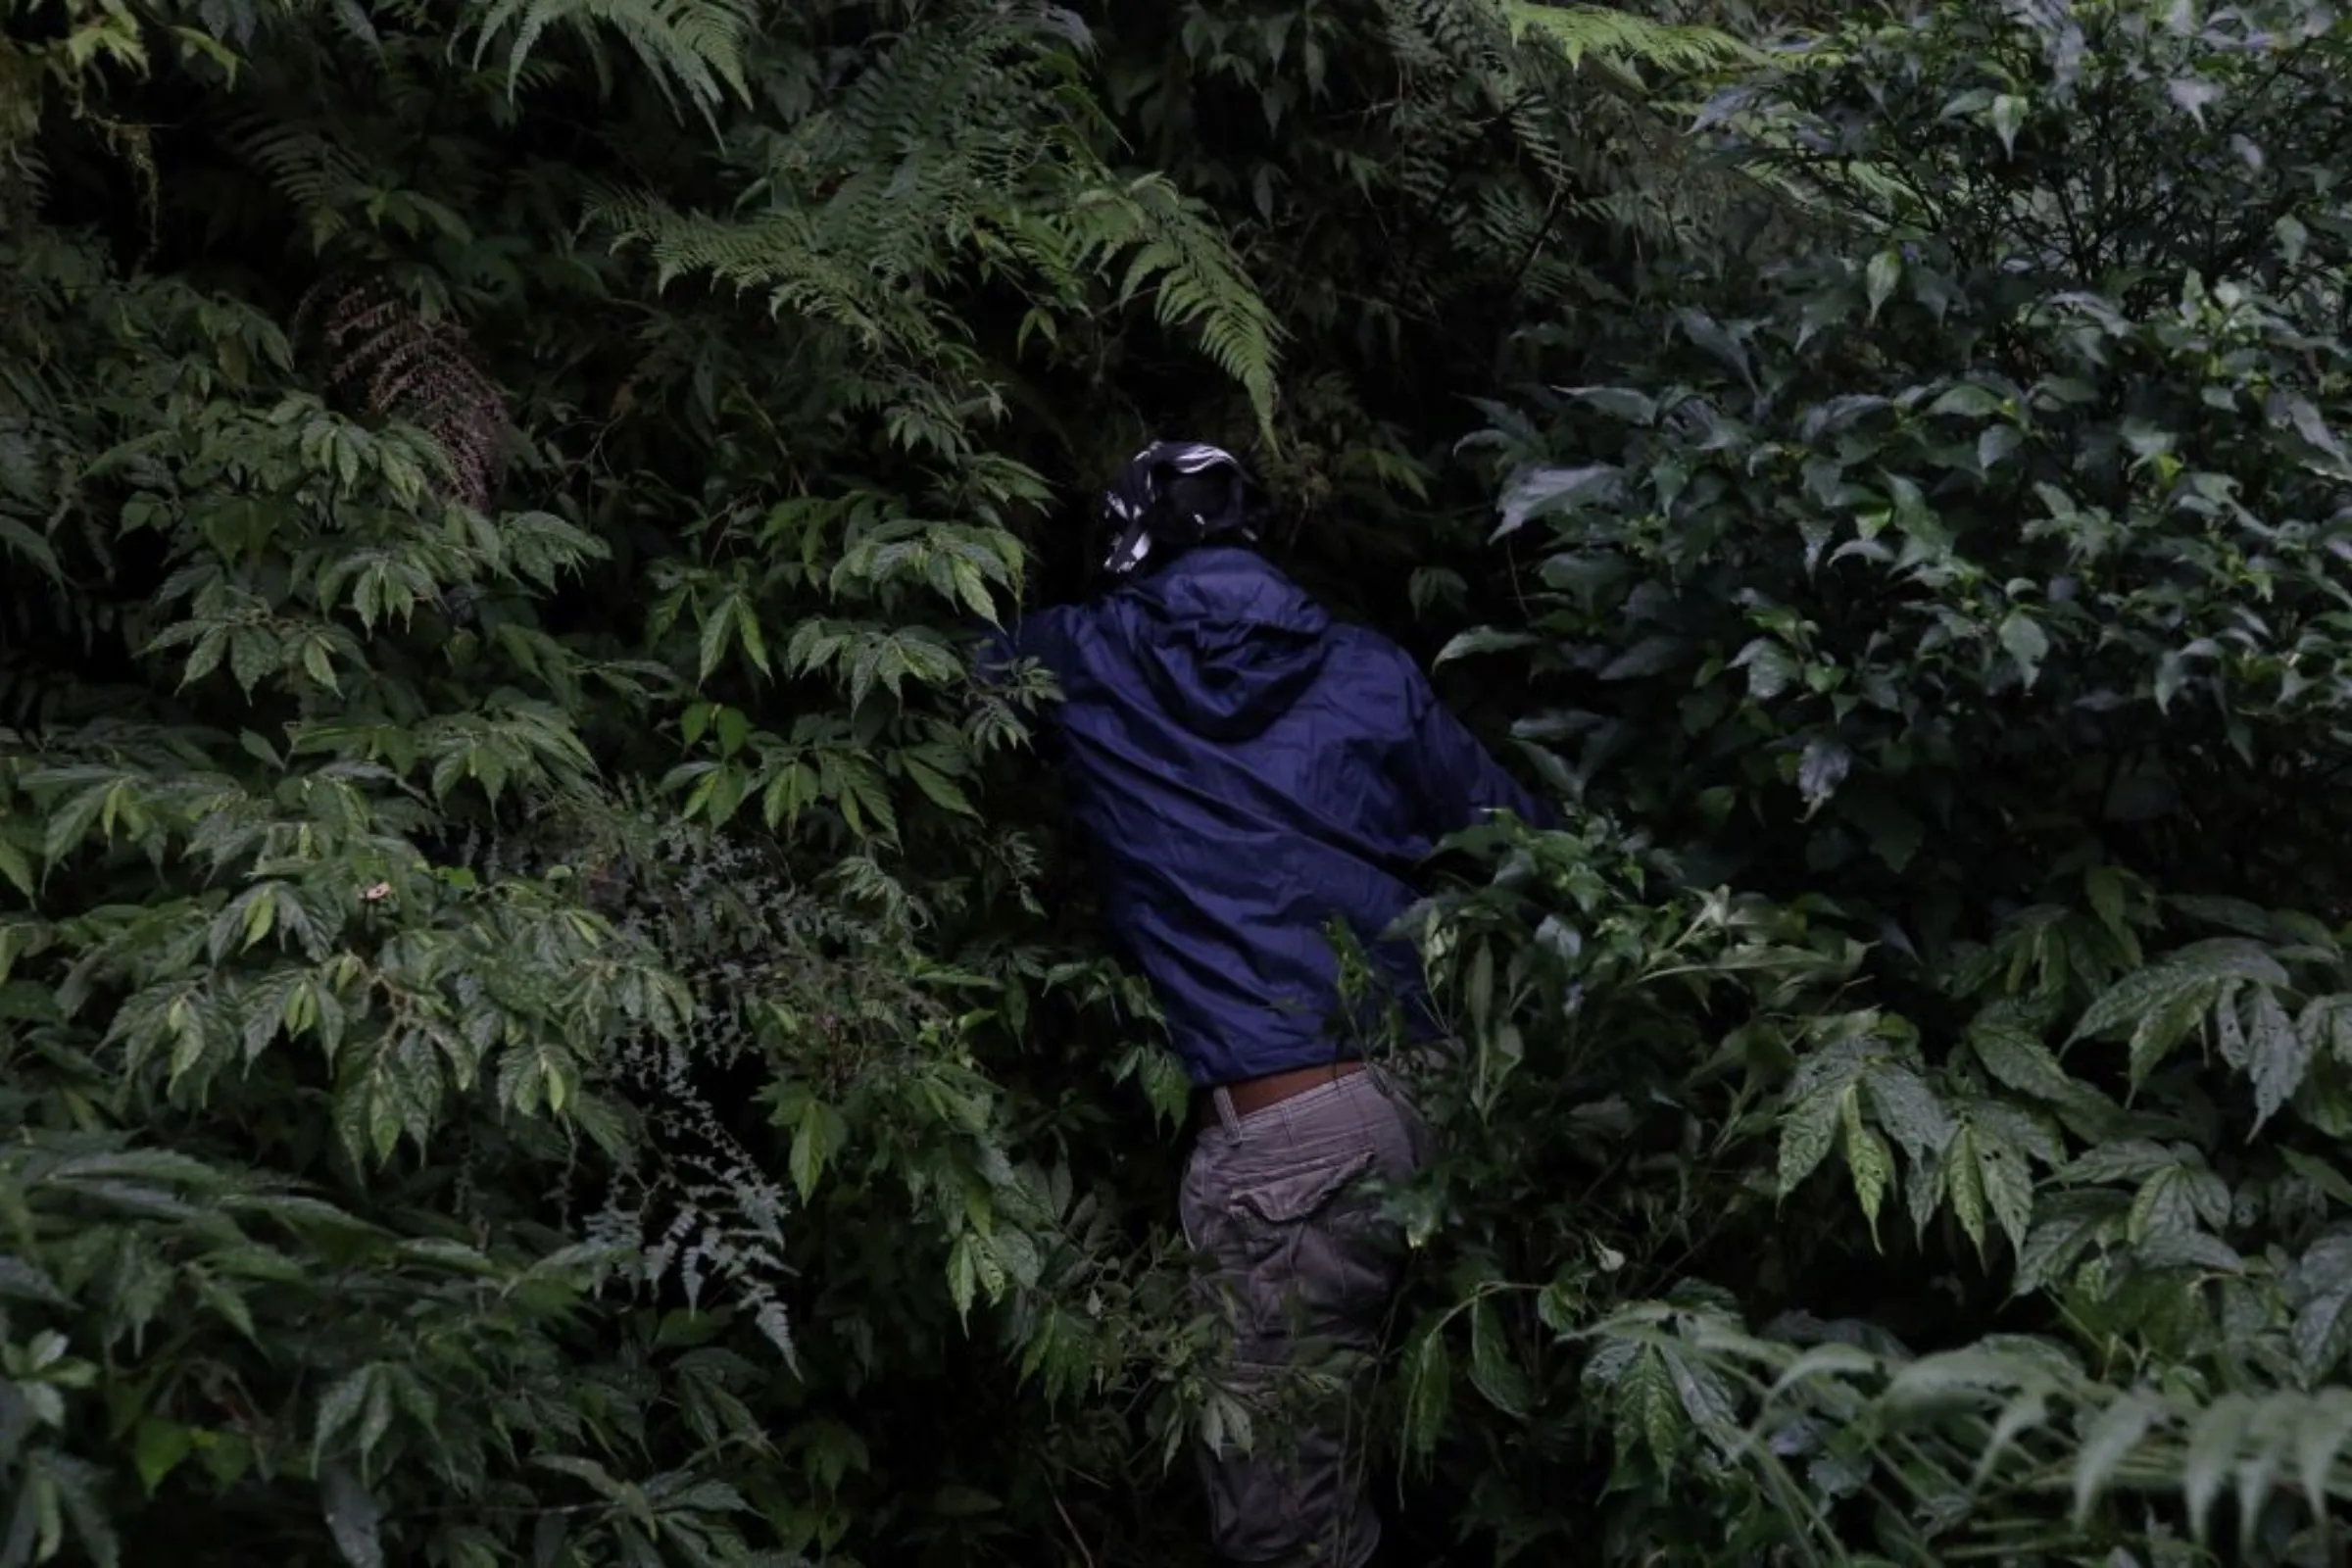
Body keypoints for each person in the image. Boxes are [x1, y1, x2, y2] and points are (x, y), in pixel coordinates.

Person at [984, 440, 1552, 1567]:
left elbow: (925, 671)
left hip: (1291, 1136)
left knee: (1288, 1528)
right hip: (1435, 1100)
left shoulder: (1090, 658)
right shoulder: (1366, 666)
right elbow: (1523, 848)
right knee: (1414, 1446)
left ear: (1128, 548)